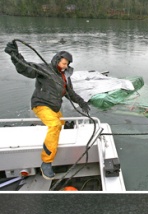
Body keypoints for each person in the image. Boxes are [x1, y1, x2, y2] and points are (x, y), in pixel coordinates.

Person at [4, 41, 90, 180]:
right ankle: (46, 162)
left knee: (62, 125)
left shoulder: (65, 76)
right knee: (55, 125)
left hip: (54, 108)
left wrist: (81, 102)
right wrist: (15, 55)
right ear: (57, 60)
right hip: (41, 105)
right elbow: (26, 68)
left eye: (67, 64)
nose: (65, 66)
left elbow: (70, 93)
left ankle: (59, 150)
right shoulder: (44, 69)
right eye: (63, 63)